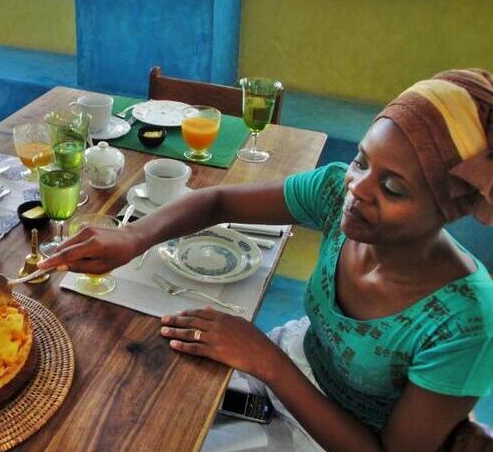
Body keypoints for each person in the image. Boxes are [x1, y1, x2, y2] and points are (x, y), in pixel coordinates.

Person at [40, 70, 492, 451]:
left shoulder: (466, 323)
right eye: (361, 160)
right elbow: (217, 202)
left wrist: (266, 360)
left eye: (393, 188)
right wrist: (134, 236)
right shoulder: (337, 193)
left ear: (450, 209)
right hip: (293, 366)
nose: (358, 188)